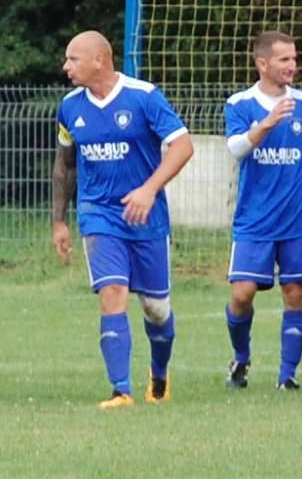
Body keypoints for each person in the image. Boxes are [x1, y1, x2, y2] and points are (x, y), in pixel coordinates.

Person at [51, 30, 193, 408]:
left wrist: (149, 189)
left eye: (73, 59)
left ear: (100, 59)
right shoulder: (69, 107)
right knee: (111, 292)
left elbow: (183, 145)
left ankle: (159, 374)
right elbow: (64, 165)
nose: (66, 67)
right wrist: (59, 221)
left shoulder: (144, 97)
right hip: (99, 214)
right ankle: (121, 390)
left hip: (147, 219)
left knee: (155, 309)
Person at [222, 31, 302, 391]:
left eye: (294, 58)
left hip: (297, 219)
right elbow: (236, 149)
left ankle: (287, 375)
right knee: (242, 294)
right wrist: (268, 123)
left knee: (295, 293)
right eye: (284, 59)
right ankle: (240, 359)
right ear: (263, 64)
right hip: (255, 220)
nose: (292, 65)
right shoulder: (240, 104)